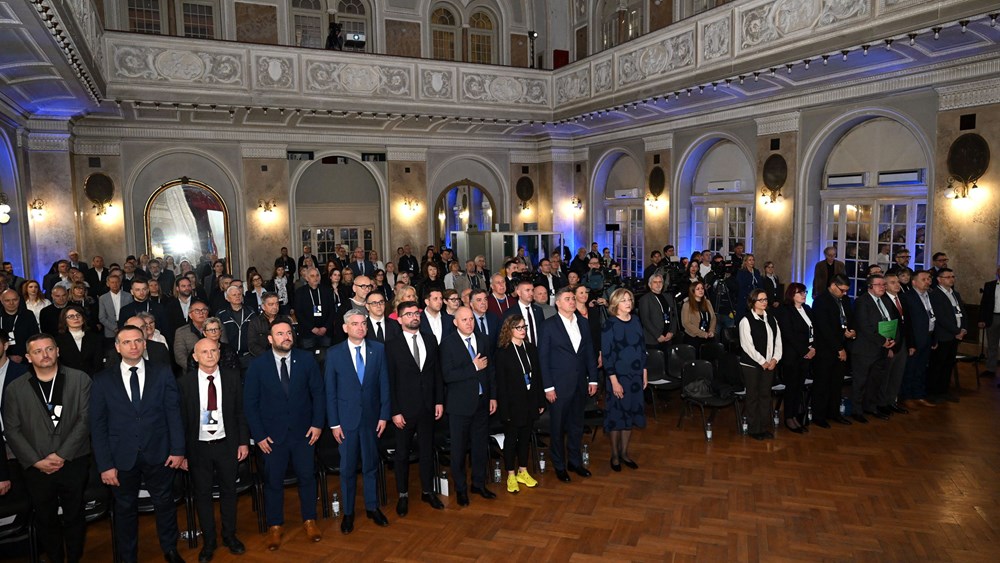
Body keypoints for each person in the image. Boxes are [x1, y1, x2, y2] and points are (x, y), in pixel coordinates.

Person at [90, 324, 185, 563]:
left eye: (138, 341)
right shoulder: (102, 380)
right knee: (124, 509)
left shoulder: (162, 372)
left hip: (160, 452)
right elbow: (98, 426)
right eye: (127, 342)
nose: (133, 346)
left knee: (164, 503)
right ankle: (127, 556)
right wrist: (105, 465)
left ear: (144, 344)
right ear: (117, 347)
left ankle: (170, 549)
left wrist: (178, 450)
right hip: (121, 457)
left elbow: (173, 413)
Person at [2, 333, 92, 563]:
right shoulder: (15, 388)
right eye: (38, 351)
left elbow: (85, 420)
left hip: (73, 460)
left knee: (74, 514)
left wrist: (62, 454)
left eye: (49, 349)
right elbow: (12, 430)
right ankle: (54, 558)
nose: (45, 354)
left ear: (58, 351)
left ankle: (74, 558)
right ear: (28, 357)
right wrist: (36, 461)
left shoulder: (80, 379)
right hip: (36, 466)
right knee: (45, 517)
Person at [243, 319, 325, 550]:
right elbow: (250, 404)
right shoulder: (257, 365)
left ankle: (310, 520)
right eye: (280, 334)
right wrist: (259, 436)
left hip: (304, 433)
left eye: (289, 333)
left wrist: (318, 424)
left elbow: (318, 394)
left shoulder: (306, 359)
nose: (286, 337)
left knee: (307, 477)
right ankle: (275, 525)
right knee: (273, 482)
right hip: (271, 437)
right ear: (270, 339)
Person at [178, 338, 249, 562]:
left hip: (227, 445)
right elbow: (180, 420)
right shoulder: (185, 383)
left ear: (219, 352)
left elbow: (240, 412)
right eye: (204, 352)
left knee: (229, 492)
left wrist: (243, 442)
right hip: (198, 448)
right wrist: (181, 452)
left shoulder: (232, 377)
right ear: (195, 357)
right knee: (202, 495)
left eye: (213, 350)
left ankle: (229, 535)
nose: (210, 355)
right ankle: (209, 542)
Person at [326, 308, 391, 533]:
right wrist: (334, 423)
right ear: (345, 328)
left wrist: (384, 415)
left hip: (372, 419)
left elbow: (384, 384)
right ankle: (349, 512)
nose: (360, 327)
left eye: (363, 323)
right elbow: (330, 392)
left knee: (371, 465)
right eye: (355, 324)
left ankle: (372, 507)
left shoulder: (378, 349)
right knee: (347, 468)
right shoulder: (334, 353)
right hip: (346, 422)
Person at [386, 301, 444, 513]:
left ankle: (428, 491)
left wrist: (439, 400)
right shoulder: (391, 345)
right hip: (404, 410)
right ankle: (403, 494)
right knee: (402, 454)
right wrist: (394, 411)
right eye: (408, 314)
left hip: (428, 406)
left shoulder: (430, 339)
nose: (414, 317)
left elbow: (437, 373)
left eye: (416, 313)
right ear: (400, 319)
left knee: (427, 451)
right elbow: (389, 381)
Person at [539, 286, 598, 483]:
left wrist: (593, 378)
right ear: (558, 303)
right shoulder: (548, 325)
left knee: (576, 425)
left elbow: (589, 352)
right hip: (558, 386)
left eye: (573, 298)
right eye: (567, 299)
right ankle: (559, 465)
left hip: (580, 384)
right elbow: (543, 358)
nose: (572, 301)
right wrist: (548, 387)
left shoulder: (582, 322)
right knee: (557, 428)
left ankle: (574, 461)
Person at [440, 306, 496, 505]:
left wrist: (492, 396)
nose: (469, 323)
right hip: (460, 406)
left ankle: (478, 484)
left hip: (482, 402)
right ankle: (461, 489)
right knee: (459, 450)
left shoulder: (483, 339)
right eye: (464, 320)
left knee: (480, 446)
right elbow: (448, 375)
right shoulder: (447, 344)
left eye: (471, 319)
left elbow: (490, 371)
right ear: (455, 322)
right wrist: (473, 366)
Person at [494, 314, 545, 493]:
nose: (523, 330)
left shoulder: (530, 348)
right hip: (512, 404)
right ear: (509, 330)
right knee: (511, 440)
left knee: (525, 438)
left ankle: (523, 471)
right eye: (519, 327)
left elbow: (537, 376)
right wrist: (505, 410)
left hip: (529, 401)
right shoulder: (503, 352)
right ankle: (510, 474)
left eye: (524, 327)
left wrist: (540, 400)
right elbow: (501, 385)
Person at [601, 289, 647, 471]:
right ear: (615, 304)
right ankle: (614, 455)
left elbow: (642, 348)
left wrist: (644, 372)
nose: (628, 303)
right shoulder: (609, 324)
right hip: (618, 377)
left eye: (629, 299)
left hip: (635, 376)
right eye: (623, 300)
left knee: (630, 415)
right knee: (617, 417)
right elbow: (607, 355)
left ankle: (625, 453)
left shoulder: (635, 320)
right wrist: (614, 381)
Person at [810, 274, 855, 428]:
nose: (844, 293)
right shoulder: (821, 301)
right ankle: (819, 416)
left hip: (843, 345)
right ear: (833, 285)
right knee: (822, 384)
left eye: (846, 290)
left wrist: (852, 331)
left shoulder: (845, 300)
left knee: (837, 383)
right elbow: (825, 329)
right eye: (842, 290)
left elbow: (849, 318)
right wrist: (839, 348)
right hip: (826, 349)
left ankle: (834, 413)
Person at [738, 289, 783, 441]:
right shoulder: (746, 320)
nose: (764, 302)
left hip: (769, 364)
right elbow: (747, 345)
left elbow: (778, 340)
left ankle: (764, 427)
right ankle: (754, 429)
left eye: (766, 299)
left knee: (765, 396)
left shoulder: (771, 318)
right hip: (752, 365)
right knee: (753, 397)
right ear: (753, 302)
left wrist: (775, 359)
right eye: (761, 300)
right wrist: (762, 361)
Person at [850, 274, 895, 423]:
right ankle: (856, 411)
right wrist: (883, 341)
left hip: (881, 349)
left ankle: (870, 407)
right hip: (864, 350)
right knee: (860, 382)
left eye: (884, 285)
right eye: (879, 284)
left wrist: (891, 340)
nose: (883, 287)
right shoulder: (862, 302)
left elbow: (890, 322)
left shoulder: (885, 301)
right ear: (870, 286)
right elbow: (865, 327)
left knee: (875, 381)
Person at [775, 283, 815, 433]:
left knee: (799, 387)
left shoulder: (807, 309)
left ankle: (796, 416)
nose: (804, 295)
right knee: (791, 387)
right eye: (800, 293)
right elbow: (788, 334)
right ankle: (789, 417)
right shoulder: (785, 311)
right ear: (792, 295)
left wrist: (813, 348)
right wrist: (805, 350)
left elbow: (814, 330)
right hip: (792, 355)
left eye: (804, 292)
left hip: (807, 354)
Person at [928, 268, 966, 403]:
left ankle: (944, 391)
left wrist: (963, 329)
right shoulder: (935, 295)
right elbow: (940, 318)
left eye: (953, 276)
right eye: (948, 277)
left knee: (948, 365)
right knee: (937, 365)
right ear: (939, 279)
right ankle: (933, 392)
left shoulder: (955, 293)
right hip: (943, 336)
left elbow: (962, 312)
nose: (951, 279)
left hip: (955, 336)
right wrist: (956, 331)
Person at [900, 270, 937, 408]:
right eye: (924, 279)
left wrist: (934, 338)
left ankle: (919, 395)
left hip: (928, 336)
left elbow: (934, 318)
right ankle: (906, 396)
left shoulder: (931, 295)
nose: (928, 281)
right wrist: (911, 343)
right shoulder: (907, 297)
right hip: (915, 339)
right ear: (914, 282)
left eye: (929, 279)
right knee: (910, 368)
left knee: (922, 368)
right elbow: (907, 323)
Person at [879, 273, 909, 415]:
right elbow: (884, 326)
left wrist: (911, 344)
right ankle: (881, 403)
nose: (897, 285)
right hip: (890, 344)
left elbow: (908, 323)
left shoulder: (902, 299)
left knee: (897, 374)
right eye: (892, 282)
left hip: (903, 343)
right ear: (885, 286)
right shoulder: (883, 301)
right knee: (886, 375)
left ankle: (892, 401)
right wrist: (888, 346)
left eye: (898, 282)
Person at [294, 267, 337, 350]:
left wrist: (325, 327)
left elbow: (332, 311)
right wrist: (312, 328)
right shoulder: (300, 292)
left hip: (325, 332)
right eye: (312, 276)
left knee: (326, 355)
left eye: (317, 275)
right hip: (308, 332)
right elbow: (298, 313)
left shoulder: (327, 291)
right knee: (308, 356)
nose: (315, 278)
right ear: (307, 278)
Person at [53, 305, 104, 376]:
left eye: (78, 315)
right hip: (69, 378)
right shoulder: (58, 341)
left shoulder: (95, 338)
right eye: (71, 316)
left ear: (83, 319)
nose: (76, 318)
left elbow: (98, 363)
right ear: (64, 320)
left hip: (92, 377)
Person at [637, 274, 679, 356]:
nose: (658, 284)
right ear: (650, 285)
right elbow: (645, 320)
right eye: (655, 282)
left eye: (660, 282)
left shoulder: (668, 297)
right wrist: (657, 335)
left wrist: (672, 332)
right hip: (653, 340)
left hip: (668, 339)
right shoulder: (645, 299)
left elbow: (674, 316)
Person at [217, 285, 255, 368]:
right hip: (229, 356)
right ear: (227, 298)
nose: (237, 296)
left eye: (239, 294)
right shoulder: (222, 314)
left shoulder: (250, 312)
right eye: (234, 295)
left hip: (248, 355)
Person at [1, 288, 40, 363]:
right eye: (7, 300)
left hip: (25, 358)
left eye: (15, 300)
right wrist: (7, 357)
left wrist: (24, 356)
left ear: (19, 299)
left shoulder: (28, 315)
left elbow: (34, 338)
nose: (11, 303)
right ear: (1, 301)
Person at [502, 279, 545, 346]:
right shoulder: (510, 313)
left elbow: (542, 332)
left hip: (538, 349)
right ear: (519, 293)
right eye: (527, 290)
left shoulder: (538, 310)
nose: (531, 293)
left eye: (532, 290)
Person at [977, 265, 1000, 379]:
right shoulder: (989, 285)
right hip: (992, 318)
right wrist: (981, 319)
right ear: (997, 272)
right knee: (992, 345)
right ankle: (991, 369)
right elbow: (984, 304)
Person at [680, 281, 716, 351]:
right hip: (693, 338)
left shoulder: (707, 302)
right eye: (698, 289)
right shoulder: (687, 305)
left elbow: (713, 318)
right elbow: (686, 323)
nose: (701, 290)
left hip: (708, 336)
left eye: (702, 288)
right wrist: (702, 334)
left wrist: (711, 330)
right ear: (692, 291)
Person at [734, 254, 761, 322]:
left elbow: (760, 284)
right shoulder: (741, 272)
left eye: (753, 260)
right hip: (744, 298)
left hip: (755, 298)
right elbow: (741, 286)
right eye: (750, 260)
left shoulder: (756, 272)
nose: (752, 262)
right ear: (745, 262)